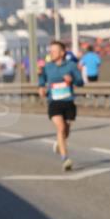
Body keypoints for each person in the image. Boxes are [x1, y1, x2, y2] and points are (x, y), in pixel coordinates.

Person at [38, 41, 84, 171]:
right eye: (50, 51)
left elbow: (80, 82)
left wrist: (72, 80)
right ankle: (65, 158)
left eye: (54, 51)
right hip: (54, 102)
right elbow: (41, 81)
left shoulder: (71, 66)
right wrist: (41, 88)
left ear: (62, 53)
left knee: (66, 131)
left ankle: (59, 144)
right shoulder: (48, 67)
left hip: (68, 101)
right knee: (61, 127)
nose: (51, 53)